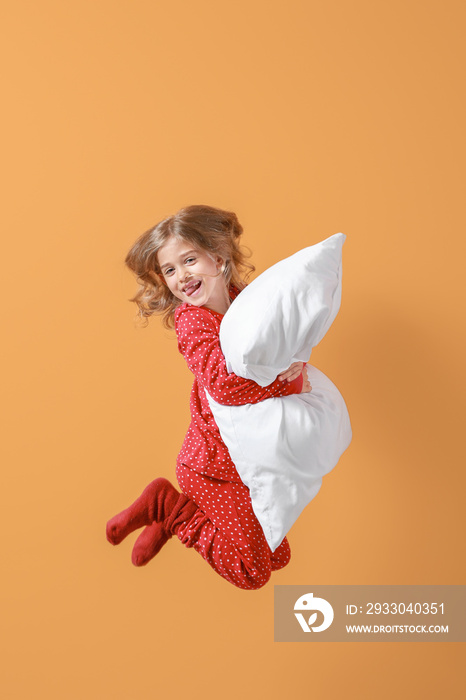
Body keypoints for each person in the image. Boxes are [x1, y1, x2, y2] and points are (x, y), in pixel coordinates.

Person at [106, 204, 311, 590]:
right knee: (252, 572)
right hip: (213, 467)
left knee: (278, 556)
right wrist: (287, 385)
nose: (181, 276)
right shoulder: (194, 321)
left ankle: (176, 515)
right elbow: (224, 387)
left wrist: (295, 358)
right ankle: (168, 507)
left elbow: (276, 339)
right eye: (170, 270)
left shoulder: (243, 300)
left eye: (188, 260)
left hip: (246, 462)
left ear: (217, 257)